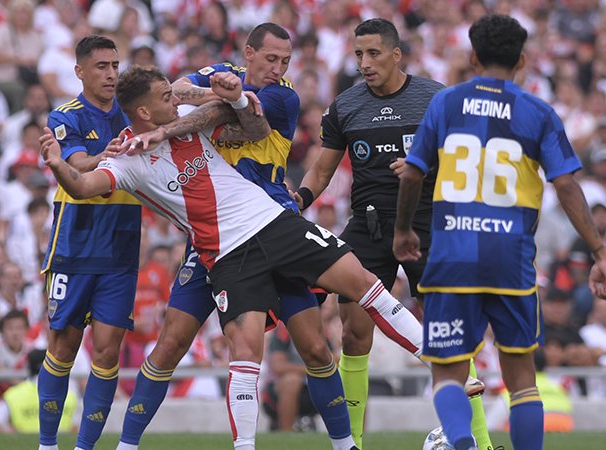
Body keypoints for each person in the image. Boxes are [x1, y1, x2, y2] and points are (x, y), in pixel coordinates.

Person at [41, 65, 426, 450]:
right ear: (143, 112)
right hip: (227, 255)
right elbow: (84, 186)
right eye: (164, 97)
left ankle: (434, 368)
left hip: (275, 222)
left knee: (363, 285)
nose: (173, 101)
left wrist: (237, 97)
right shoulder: (127, 159)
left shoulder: (189, 122)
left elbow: (254, 128)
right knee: (242, 354)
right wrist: (58, 164)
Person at [118, 22, 376, 450]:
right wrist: (220, 91)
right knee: (171, 344)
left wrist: (227, 97)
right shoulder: (222, 72)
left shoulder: (282, 96)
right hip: (214, 241)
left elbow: (227, 113)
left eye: (285, 61)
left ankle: (346, 445)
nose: (278, 68)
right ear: (249, 53)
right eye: (271, 58)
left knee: (313, 347)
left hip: (272, 226)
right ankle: (127, 444)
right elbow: (177, 89)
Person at [393, 15, 606, 450]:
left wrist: (403, 230)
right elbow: (567, 185)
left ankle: (461, 442)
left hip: (452, 258)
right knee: (523, 382)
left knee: (448, 375)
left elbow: (412, 175)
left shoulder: (445, 104)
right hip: (511, 261)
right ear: (524, 60)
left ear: (473, 56)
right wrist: (598, 252)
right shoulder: (538, 112)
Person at [294, 18, 490, 449]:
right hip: (367, 225)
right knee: (353, 334)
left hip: (428, 223)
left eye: (373, 54)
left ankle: (480, 440)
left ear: (396, 54)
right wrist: (300, 200)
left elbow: (468, 159)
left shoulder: (436, 97)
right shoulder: (346, 106)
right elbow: (324, 168)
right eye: (358, 54)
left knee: (445, 332)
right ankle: (353, 443)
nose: (364, 63)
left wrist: (425, 167)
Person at [37, 35, 141, 450]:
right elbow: (75, 164)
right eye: (101, 66)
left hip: (121, 244)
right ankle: (47, 444)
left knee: (107, 352)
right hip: (75, 243)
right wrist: (106, 157)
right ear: (79, 71)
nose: (111, 74)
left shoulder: (136, 113)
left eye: (115, 65)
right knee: (62, 346)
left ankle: (84, 448)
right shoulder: (66, 115)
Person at [0, 348, 78, 434]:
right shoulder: (69, 394)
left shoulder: (12, 394)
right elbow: (75, 428)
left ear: (29, 367)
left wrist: (12, 439)